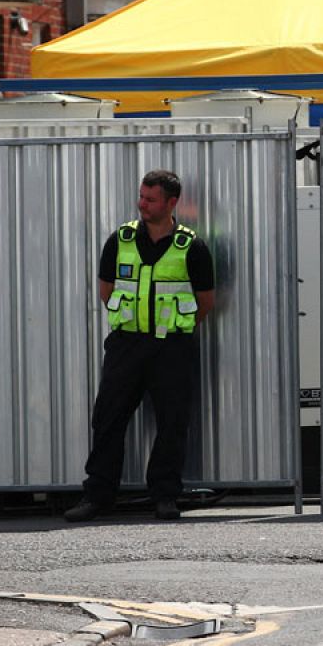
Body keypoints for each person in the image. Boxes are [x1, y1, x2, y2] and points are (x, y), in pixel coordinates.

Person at [65, 170, 215, 522]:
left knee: (172, 422)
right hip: (126, 346)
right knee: (107, 420)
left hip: (172, 349)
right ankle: (97, 497)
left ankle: (164, 496)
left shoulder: (192, 247)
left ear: (171, 203)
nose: (142, 204)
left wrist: (171, 327)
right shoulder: (120, 240)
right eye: (141, 197)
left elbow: (205, 301)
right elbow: (106, 291)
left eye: (151, 199)